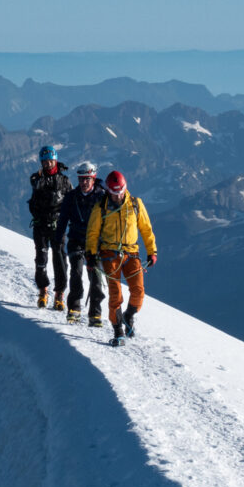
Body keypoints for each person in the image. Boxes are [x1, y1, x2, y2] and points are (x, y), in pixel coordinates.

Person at [85, 170, 158, 345]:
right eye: (114, 192)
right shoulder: (100, 207)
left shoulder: (135, 204)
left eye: (121, 191)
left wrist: (152, 251)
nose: (118, 196)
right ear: (108, 190)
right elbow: (93, 233)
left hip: (132, 253)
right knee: (115, 294)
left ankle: (129, 315)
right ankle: (118, 330)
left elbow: (146, 229)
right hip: (109, 254)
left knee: (138, 291)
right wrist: (91, 255)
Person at [55, 161, 106, 326]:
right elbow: (62, 219)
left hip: (95, 244)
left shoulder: (102, 197)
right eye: (81, 179)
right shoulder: (71, 197)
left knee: (96, 278)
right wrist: (58, 237)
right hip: (76, 240)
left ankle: (95, 314)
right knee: (76, 273)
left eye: (87, 179)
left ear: (93, 178)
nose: (84, 182)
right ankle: (74, 308)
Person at [28, 145, 71, 309]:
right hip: (41, 225)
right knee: (41, 259)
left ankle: (59, 294)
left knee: (60, 260)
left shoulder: (65, 181)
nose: (48, 165)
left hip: (58, 226)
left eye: (51, 161)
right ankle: (43, 291)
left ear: (56, 160)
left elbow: (70, 202)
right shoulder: (37, 179)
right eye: (45, 162)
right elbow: (35, 184)